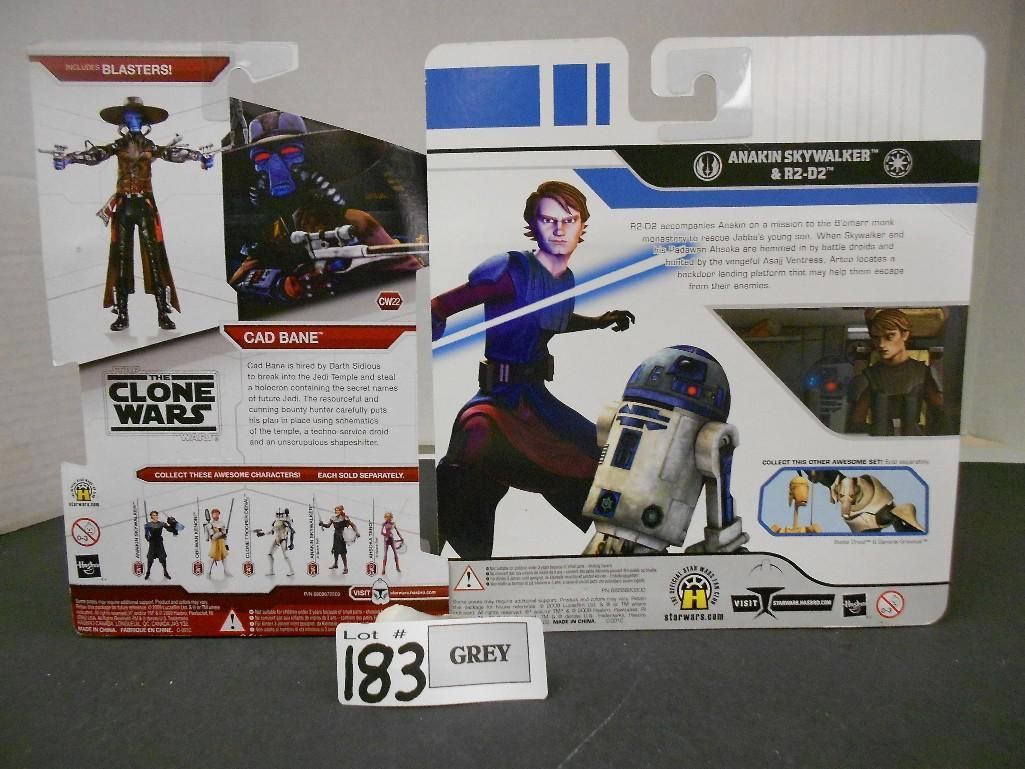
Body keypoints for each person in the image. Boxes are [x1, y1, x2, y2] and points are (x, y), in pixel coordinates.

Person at [431, 181, 634, 558]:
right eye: (548, 220)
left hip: (536, 401)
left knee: (603, 462)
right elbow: (440, 306)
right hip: (497, 402)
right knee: (465, 472)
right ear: (533, 224)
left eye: (569, 220)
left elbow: (552, 319)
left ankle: (616, 553)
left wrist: (598, 321)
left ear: (581, 225)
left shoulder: (564, 279)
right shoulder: (509, 268)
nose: (559, 229)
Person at [51, 96, 213, 331]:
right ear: (124, 121)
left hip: (145, 205)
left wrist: (199, 156)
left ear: (144, 120)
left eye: (137, 115)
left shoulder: (150, 146)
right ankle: (122, 314)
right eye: (129, 115)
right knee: (121, 258)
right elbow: (96, 155)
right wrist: (69, 159)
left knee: (155, 258)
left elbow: (173, 154)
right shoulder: (118, 145)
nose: (133, 119)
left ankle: (163, 313)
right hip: (124, 206)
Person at [846, 308, 944, 436]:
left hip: (915, 440)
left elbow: (940, 414)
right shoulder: (869, 377)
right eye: (876, 338)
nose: (881, 344)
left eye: (889, 336)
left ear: (904, 335)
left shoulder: (922, 373)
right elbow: (856, 422)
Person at [320, 505, 360, 573]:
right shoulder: (333, 518)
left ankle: (345, 567)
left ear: (341, 511)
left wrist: (357, 532)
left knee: (342, 552)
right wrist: (322, 524)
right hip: (336, 536)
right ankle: (335, 564)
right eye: (336, 510)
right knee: (335, 551)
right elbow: (328, 525)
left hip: (341, 536)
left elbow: (353, 525)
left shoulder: (345, 518)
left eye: (338, 510)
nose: (337, 511)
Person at [144, 509, 180, 580]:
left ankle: (165, 572)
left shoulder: (161, 523)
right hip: (152, 542)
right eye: (154, 515)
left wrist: (173, 524)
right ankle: (148, 572)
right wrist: (148, 538)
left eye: (156, 515)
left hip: (159, 542)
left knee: (163, 558)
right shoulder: (148, 525)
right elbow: (146, 534)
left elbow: (169, 529)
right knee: (150, 558)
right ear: (151, 516)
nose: (155, 516)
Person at [206, 508, 231, 578]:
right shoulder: (210, 524)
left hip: (222, 542)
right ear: (212, 515)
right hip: (215, 543)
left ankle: (226, 571)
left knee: (224, 557)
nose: (216, 515)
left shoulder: (222, 523)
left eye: (217, 514)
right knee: (212, 557)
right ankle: (208, 572)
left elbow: (224, 535)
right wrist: (221, 533)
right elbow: (212, 537)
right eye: (214, 514)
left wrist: (226, 544)